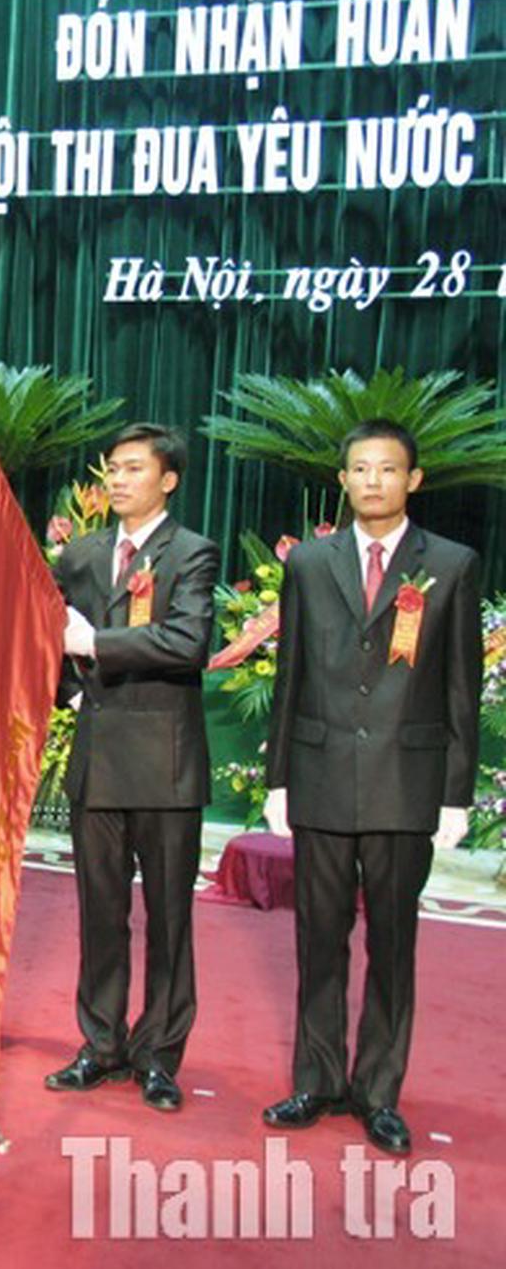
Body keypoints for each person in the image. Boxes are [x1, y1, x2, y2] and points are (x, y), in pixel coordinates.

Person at [261, 418, 481, 1156]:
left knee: (392, 946)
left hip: (404, 783)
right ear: (343, 479)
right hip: (320, 776)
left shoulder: (449, 564)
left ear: (412, 480)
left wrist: (455, 793)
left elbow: (460, 686)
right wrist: (279, 779)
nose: (373, 481)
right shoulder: (309, 563)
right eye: (360, 469)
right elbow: (290, 673)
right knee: (317, 941)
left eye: (387, 469)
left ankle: (379, 1093)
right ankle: (317, 1081)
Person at [44, 424, 219, 1113]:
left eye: (134, 469)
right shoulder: (83, 553)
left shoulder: (191, 552)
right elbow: (45, 629)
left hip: (165, 762)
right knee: (100, 912)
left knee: (169, 918)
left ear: (168, 480)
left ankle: (159, 1055)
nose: (118, 480)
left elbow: (188, 640)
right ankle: (100, 1043)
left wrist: (98, 644)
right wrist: (68, 686)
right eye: (113, 468)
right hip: (100, 759)